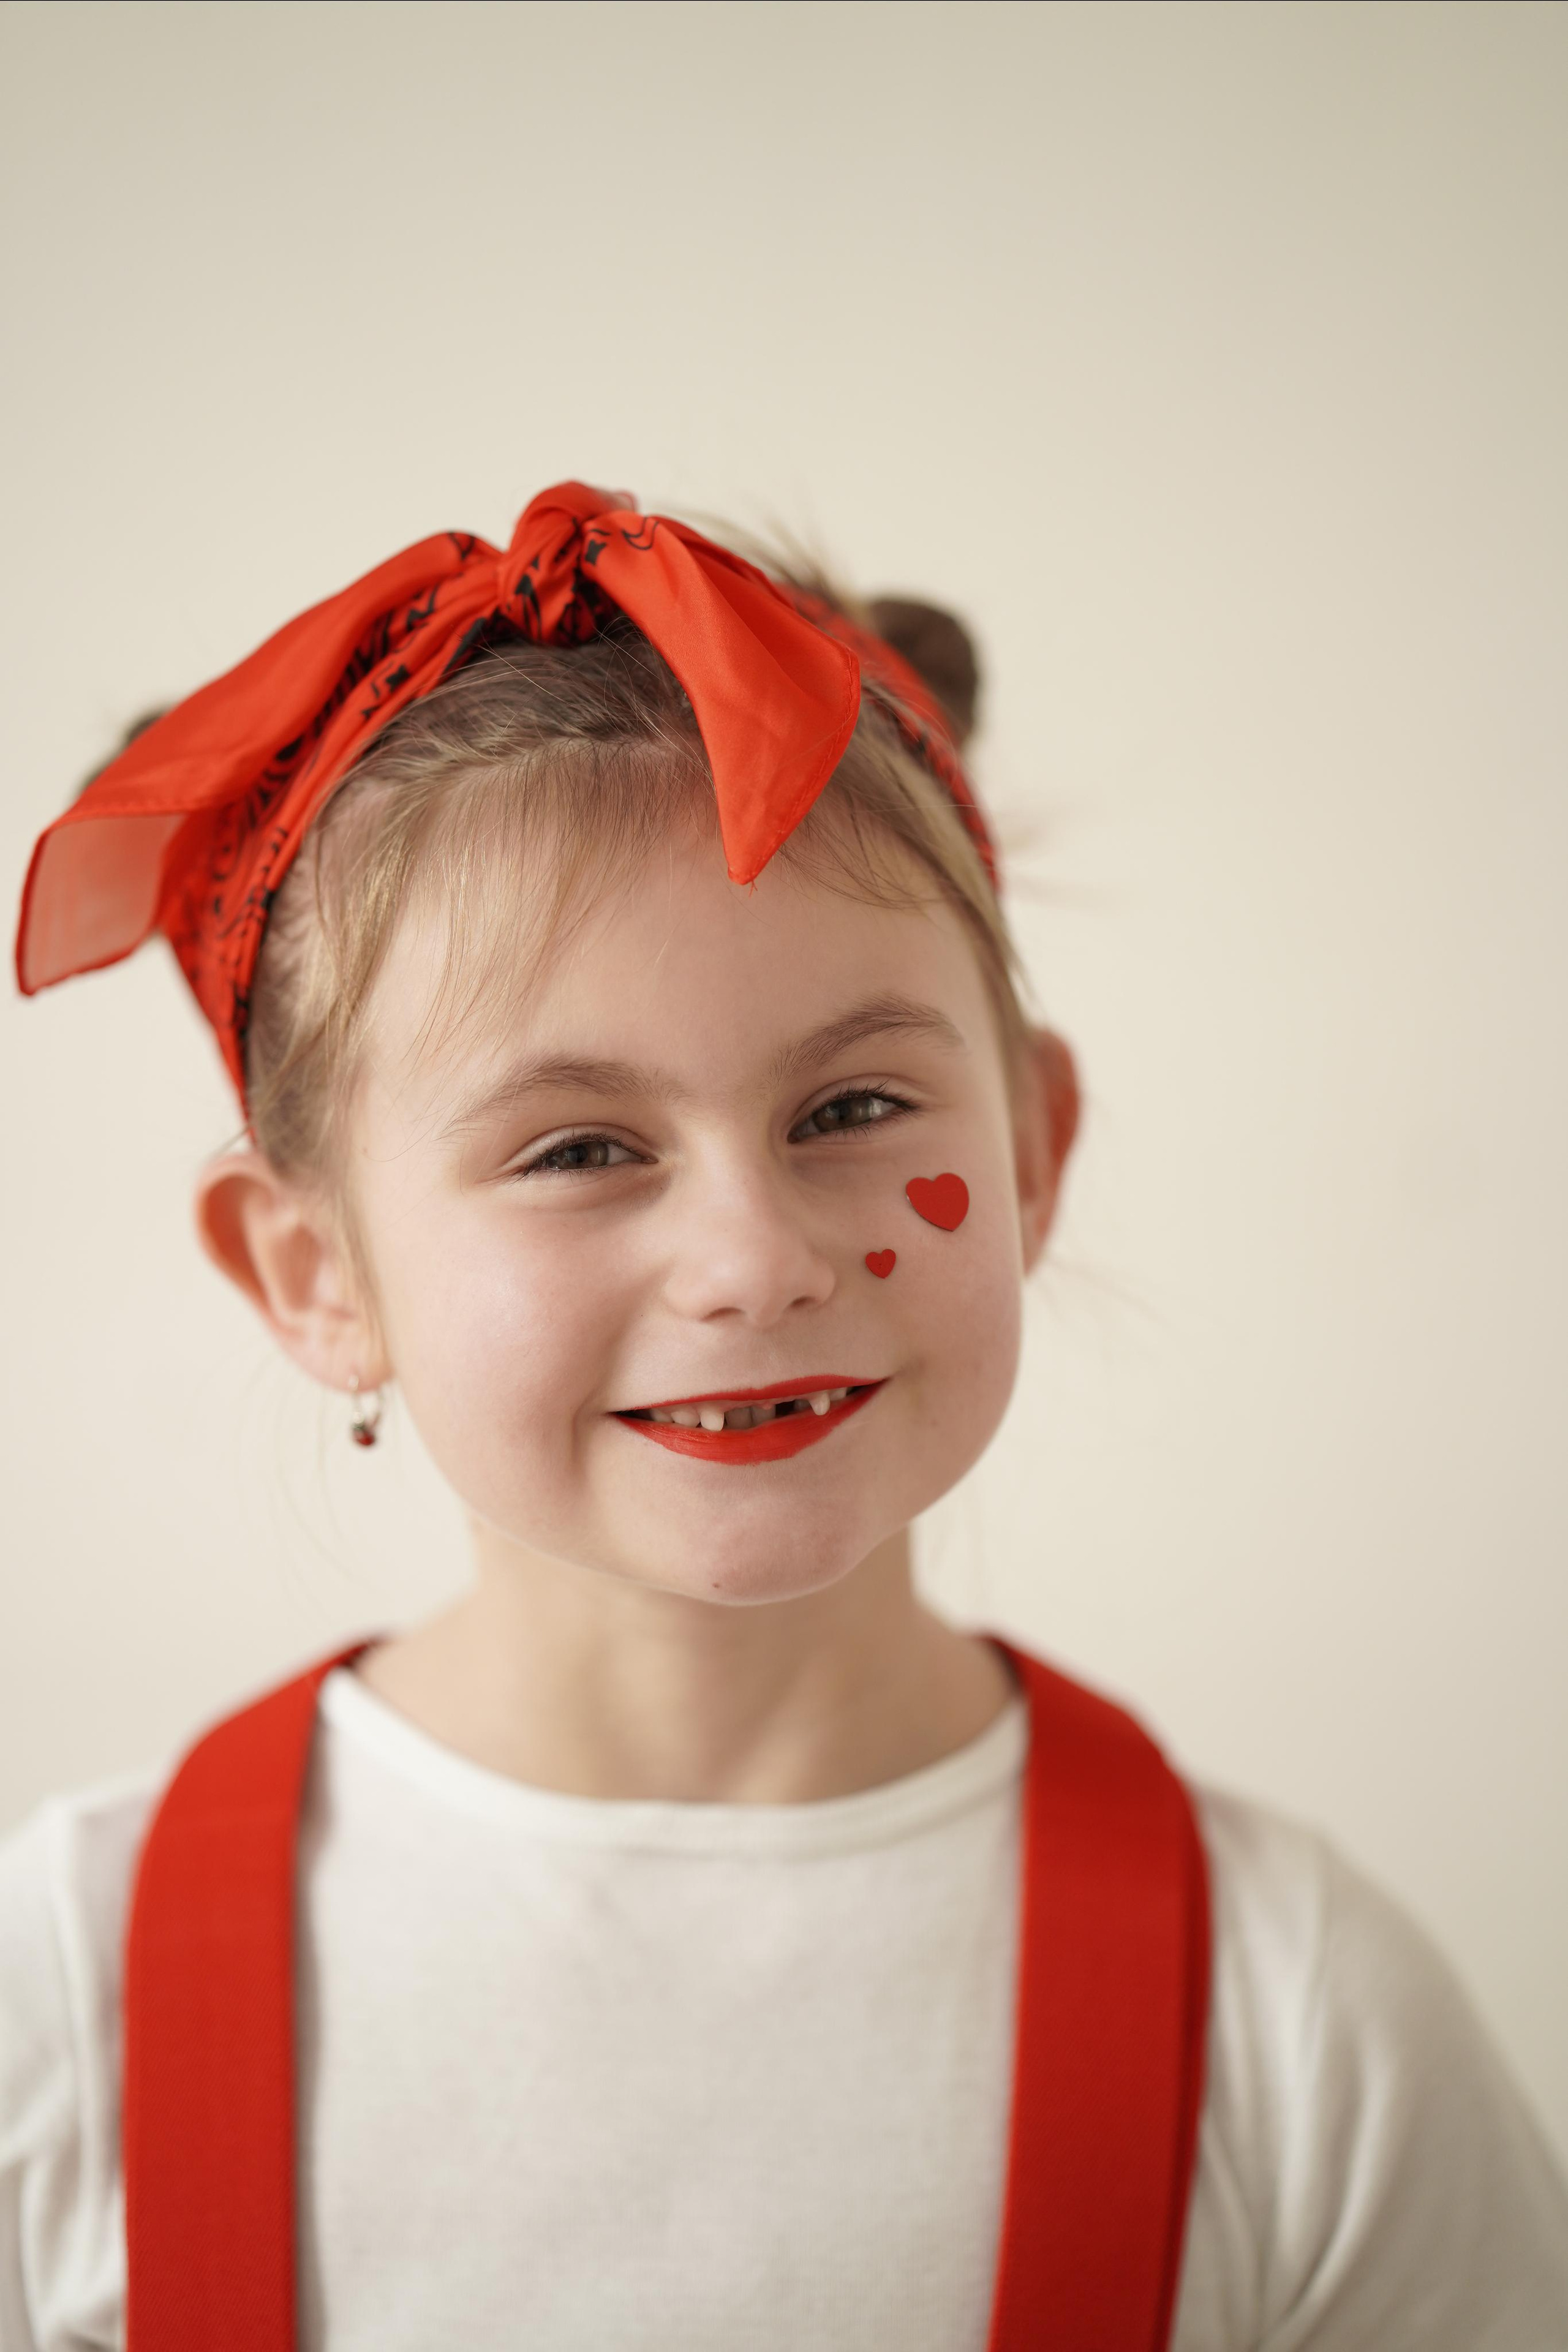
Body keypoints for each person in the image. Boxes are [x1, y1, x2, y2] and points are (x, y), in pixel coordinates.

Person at [2, 483, 1564, 2351]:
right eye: (579, 1149)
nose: (752, 1263)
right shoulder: (62, 2008)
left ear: (1037, 1145)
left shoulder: (1303, 2022)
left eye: (852, 1112)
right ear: (317, 1279)